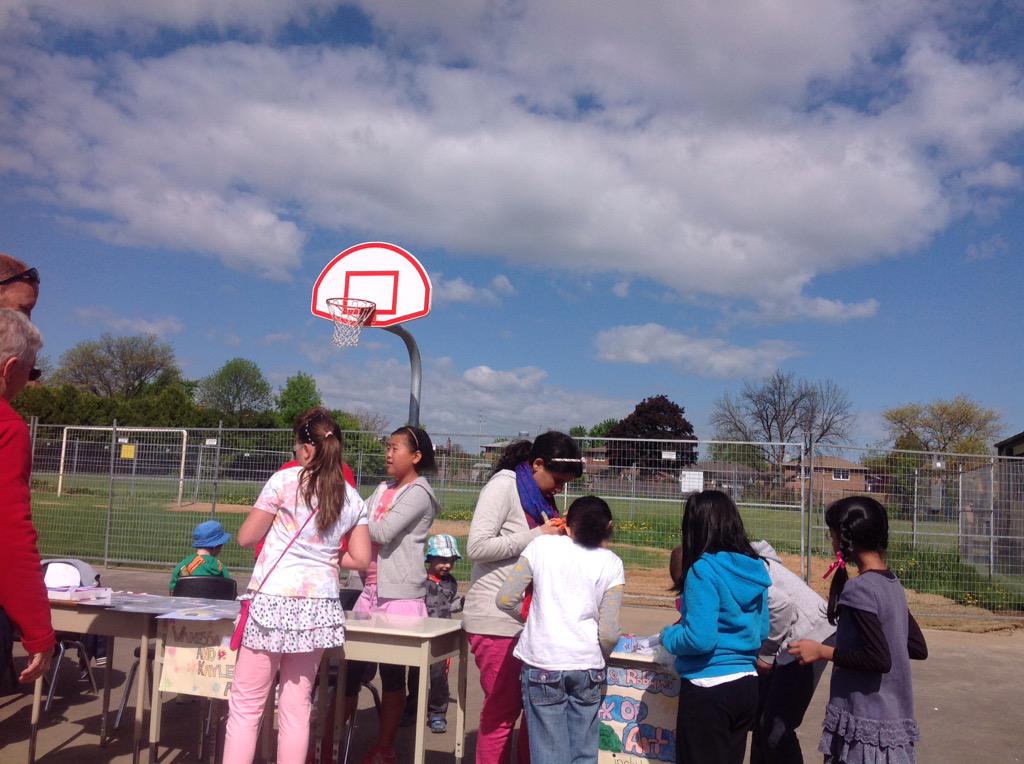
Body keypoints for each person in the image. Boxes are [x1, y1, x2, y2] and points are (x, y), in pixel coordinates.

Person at [222, 408, 371, 764]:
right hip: (318, 607)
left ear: (306, 448)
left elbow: (246, 537)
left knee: (246, 706)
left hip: (273, 602)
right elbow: (361, 558)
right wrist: (329, 556)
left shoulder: (284, 482)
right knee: (297, 705)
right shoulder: (351, 498)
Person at [464, 431, 584, 764]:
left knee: (536, 714)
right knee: (502, 713)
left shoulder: (539, 497)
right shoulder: (503, 486)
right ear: (537, 464)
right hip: (496, 618)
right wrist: (538, 535)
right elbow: (477, 547)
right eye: (557, 480)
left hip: (528, 620)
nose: (559, 488)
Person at [788, 496, 928, 764]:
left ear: (844, 539)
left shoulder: (860, 589)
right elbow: (917, 647)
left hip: (866, 720)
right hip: (893, 722)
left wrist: (821, 651)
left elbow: (878, 659)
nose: (831, 541)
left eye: (831, 535)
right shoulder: (892, 584)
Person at [495, 495, 624, 764]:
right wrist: (604, 655)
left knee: (548, 753)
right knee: (583, 752)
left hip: (543, 663)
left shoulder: (541, 546)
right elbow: (609, 632)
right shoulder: (612, 563)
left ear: (567, 525)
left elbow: (505, 598)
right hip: (587, 666)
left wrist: (530, 620)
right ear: (608, 527)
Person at [342, 425, 440, 764]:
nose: (388, 453)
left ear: (415, 456)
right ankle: (332, 744)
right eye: (388, 446)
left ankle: (383, 748)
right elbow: (358, 519)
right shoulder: (384, 487)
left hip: (399, 596)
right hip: (367, 589)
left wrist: (356, 518)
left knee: (393, 676)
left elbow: (381, 530)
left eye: (395, 447)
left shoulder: (418, 493)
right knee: (350, 672)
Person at [660, 489, 770, 764]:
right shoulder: (756, 568)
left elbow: (700, 639)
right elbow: (763, 630)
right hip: (746, 685)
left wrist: (669, 636)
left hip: (708, 687)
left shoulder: (702, 570)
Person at [0, 309, 53, 683]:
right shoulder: (8, 427)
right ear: (10, 367)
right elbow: (9, 536)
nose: (29, 382)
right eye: (31, 373)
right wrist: (38, 631)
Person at [750, 540, 836, 764]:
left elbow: (781, 607)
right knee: (762, 721)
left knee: (776, 727)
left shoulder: (744, 566)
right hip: (791, 636)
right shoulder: (739, 558)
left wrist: (766, 654)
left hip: (810, 634)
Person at [404, 533, 464, 733]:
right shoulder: (421, 580)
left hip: (442, 637)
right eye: (442, 560)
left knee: (439, 677)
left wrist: (463, 603)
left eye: (451, 561)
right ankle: (412, 708)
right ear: (430, 559)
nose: (447, 565)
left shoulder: (451, 583)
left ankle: (437, 713)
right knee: (415, 675)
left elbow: (453, 604)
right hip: (420, 635)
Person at [169, 520, 233, 593]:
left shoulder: (183, 565)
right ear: (216, 545)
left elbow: (173, 590)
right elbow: (229, 589)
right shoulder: (220, 567)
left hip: (186, 603)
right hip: (214, 604)